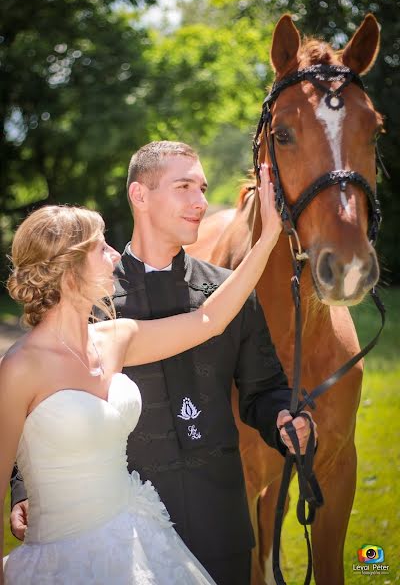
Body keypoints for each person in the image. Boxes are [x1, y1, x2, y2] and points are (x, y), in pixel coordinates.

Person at [6, 144, 316, 585]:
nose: (202, 202)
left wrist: (286, 419)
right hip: (113, 537)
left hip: (216, 522)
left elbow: (246, 366)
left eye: (203, 188)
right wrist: (25, 490)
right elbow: (35, 422)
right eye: (184, 186)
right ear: (140, 195)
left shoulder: (219, 297)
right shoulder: (85, 311)